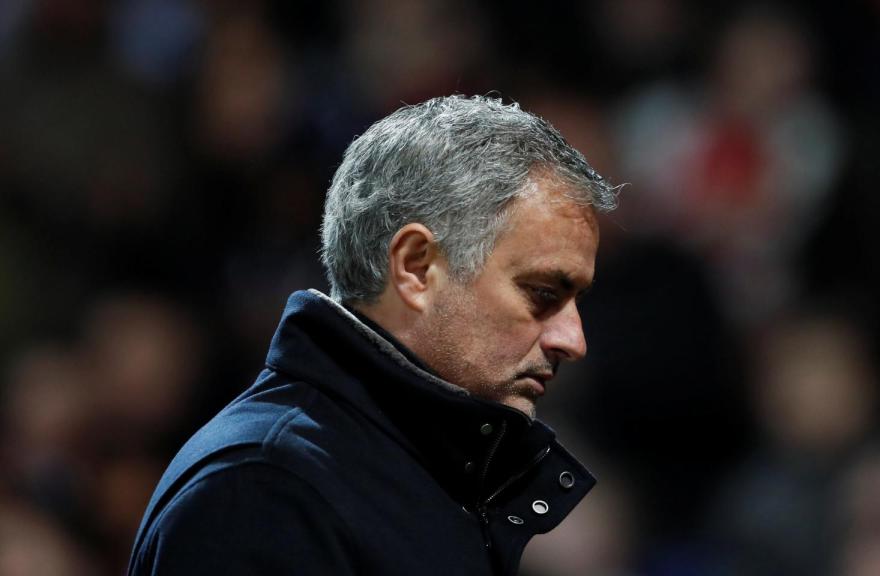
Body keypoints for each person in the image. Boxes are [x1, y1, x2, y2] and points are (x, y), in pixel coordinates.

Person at [127, 94, 618, 575]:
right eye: (541, 293)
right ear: (415, 268)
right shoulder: (264, 493)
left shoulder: (428, 473)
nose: (573, 340)